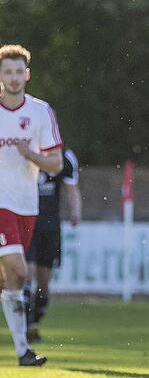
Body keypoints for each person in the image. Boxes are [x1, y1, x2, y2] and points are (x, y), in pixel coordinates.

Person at [0, 44, 63, 366]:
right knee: (21, 269)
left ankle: (23, 351)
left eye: (17, 72)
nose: (13, 78)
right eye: (6, 72)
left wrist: (31, 155)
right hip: (1, 205)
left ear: (26, 75)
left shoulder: (40, 112)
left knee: (13, 280)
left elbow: (56, 164)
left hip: (28, 204)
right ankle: (23, 349)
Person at [24, 147, 82, 343]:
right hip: (27, 222)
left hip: (50, 228)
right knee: (26, 272)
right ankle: (25, 323)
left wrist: (75, 211)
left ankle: (35, 321)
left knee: (43, 281)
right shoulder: (25, 150)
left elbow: (71, 188)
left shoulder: (64, 157)